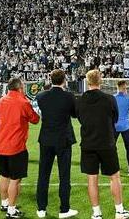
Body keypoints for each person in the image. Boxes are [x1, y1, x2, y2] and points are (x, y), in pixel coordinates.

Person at [76, 70, 129, 219]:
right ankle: (119, 211)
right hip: (106, 142)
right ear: (100, 81)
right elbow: (115, 118)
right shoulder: (109, 99)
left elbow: (80, 118)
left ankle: (96, 213)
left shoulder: (80, 100)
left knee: (92, 178)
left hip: (88, 143)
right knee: (114, 176)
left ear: (88, 82)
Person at [36, 69, 78, 219]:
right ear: (64, 80)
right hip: (63, 139)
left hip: (46, 139)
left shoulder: (41, 96)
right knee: (64, 175)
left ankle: (41, 208)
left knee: (43, 174)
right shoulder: (69, 96)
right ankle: (64, 209)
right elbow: (74, 114)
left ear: (51, 79)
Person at [0, 78, 40, 219]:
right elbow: (35, 119)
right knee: (15, 179)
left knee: (4, 175)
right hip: (15, 146)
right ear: (20, 87)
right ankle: (11, 210)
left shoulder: (1, 101)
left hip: (0, 144)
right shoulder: (23, 102)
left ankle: (4, 203)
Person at [114, 80, 129, 176]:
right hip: (126, 126)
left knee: (112, 147)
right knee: (128, 148)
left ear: (117, 87)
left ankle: (115, 168)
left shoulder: (112, 98)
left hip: (114, 126)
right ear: (124, 88)